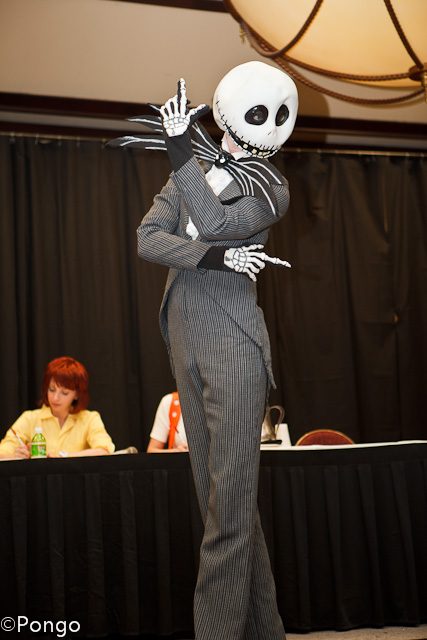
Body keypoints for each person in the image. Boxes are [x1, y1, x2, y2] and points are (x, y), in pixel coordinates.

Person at [113, 61, 298, 640]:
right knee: (224, 503)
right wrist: (215, 259)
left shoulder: (271, 187)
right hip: (185, 338)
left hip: (235, 344)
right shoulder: (190, 173)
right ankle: (265, 632)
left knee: (228, 508)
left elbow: (215, 221)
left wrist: (177, 151)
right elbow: (147, 239)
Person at [0, 357, 115, 459]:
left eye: (64, 393)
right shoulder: (29, 419)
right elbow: (2, 454)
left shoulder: (90, 419)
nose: (55, 398)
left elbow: (105, 451)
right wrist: (18, 457)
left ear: (76, 395)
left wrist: (61, 456)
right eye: (52, 389)